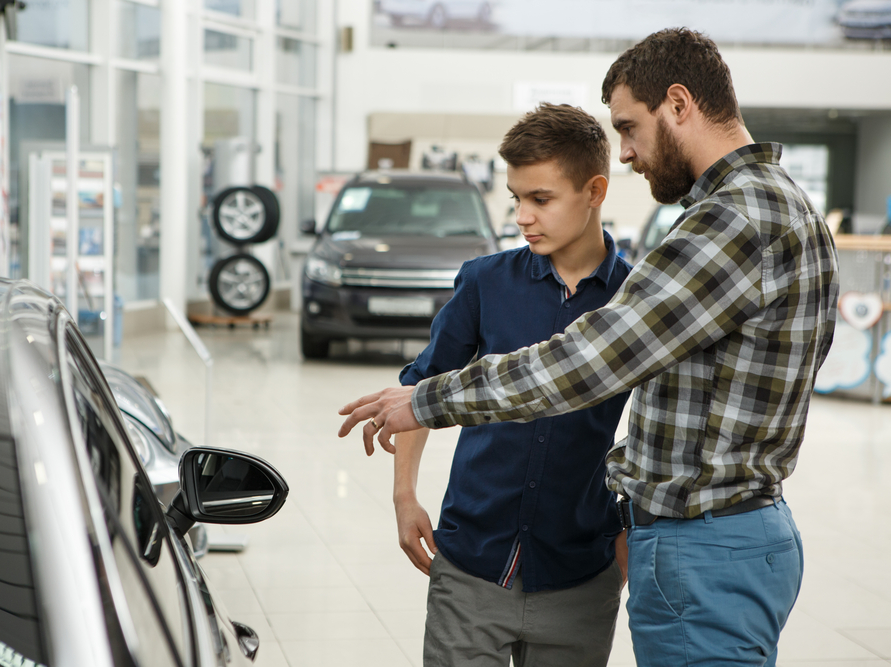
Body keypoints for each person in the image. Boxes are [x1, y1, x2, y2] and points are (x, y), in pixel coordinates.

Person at [339, 27, 839, 667]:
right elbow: (717, 399)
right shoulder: (785, 205)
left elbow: (589, 360)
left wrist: (425, 402)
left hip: (702, 547)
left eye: (630, 127)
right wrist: (632, 502)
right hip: (718, 536)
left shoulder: (733, 217)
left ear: (679, 105)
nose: (626, 152)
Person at [391, 103, 632, 667]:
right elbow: (420, 390)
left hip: (581, 574)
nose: (523, 216)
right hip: (471, 563)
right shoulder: (484, 282)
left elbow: (660, 424)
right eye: (516, 199)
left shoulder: (636, 300)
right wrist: (404, 495)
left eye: (540, 199)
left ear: (594, 191)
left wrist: (625, 538)